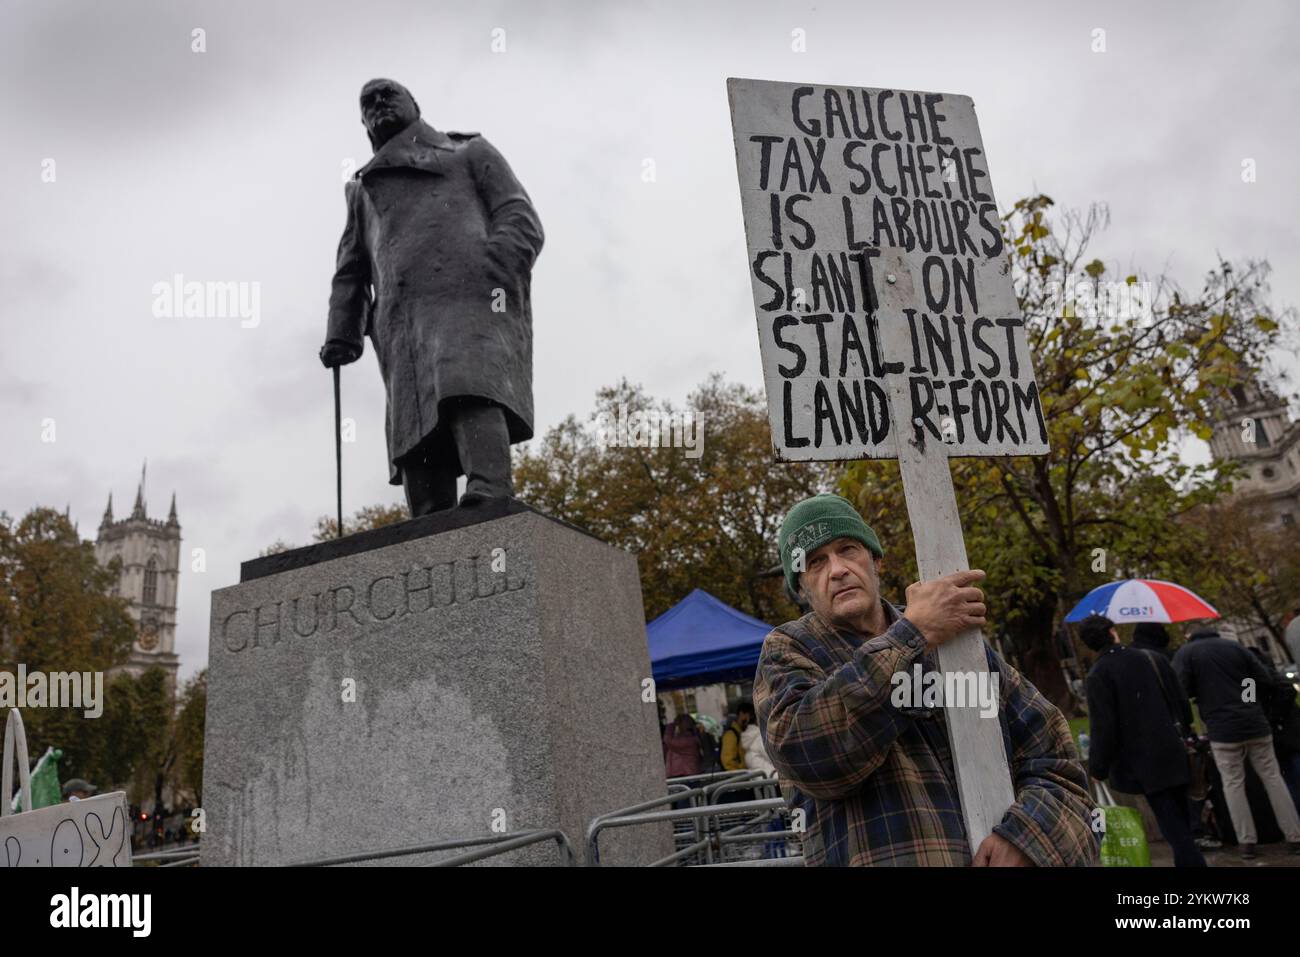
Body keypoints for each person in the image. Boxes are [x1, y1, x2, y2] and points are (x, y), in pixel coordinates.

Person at [754, 493, 1098, 866]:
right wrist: (913, 635)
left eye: (848, 549)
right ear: (801, 587)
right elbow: (811, 757)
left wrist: (1027, 839)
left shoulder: (955, 643)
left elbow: (1056, 760)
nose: (836, 569)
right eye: (815, 562)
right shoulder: (789, 649)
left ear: (876, 561)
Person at [320, 78, 544, 514]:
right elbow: (351, 269)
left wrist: (491, 271)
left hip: (469, 298)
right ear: (362, 120)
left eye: (389, 94)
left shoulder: (468, 152)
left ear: (414, 104)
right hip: (400, 322)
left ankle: (490, 490)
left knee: (468, 387)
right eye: (368, 101)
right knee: (413, 426)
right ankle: (428, 520)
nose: (379, 103)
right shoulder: (361, 190)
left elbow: (519, 216)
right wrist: (341, 332)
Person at [1079, 615, 1205, 867]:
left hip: (1142, 761)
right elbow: (1181, 703)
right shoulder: (1150, 658)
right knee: (1182, 820)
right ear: (1113, 632)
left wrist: (1098, 767)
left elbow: (1104, 727)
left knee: (1172, 825)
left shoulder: (1098, 674)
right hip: (1173, 748)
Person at [1173, 624, 1300, 858]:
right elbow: (1261, 678)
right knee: (1273, 778)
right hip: (1254, 723)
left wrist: (1202, 697)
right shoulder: (1236, 648)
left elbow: (1180, 691)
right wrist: (1245, 699)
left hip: (1222, 729)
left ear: (1188, 635)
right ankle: (1294, 835)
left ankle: (1247, 842)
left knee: (1233, 784)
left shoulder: (1186, 654)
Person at [1248, 646, 1300, 813]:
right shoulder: (1266, 673)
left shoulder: (1247, 681)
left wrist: (1271, 717)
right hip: (1286, 728)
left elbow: (1247, 704)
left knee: (1288, 777)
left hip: (1276, 730)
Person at [662, 713, 704, 779]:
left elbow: (668, 740)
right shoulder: (679, 738)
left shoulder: (689, 740)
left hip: (686, 775)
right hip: (677, 774)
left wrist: (671, 726)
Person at [719, 702, 753, 773]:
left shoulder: (742, 732)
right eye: (749, 715)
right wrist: (742, 773)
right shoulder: (731, 734)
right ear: (741, 714)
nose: (749, 720)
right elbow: (728, 762)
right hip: (740, 777)